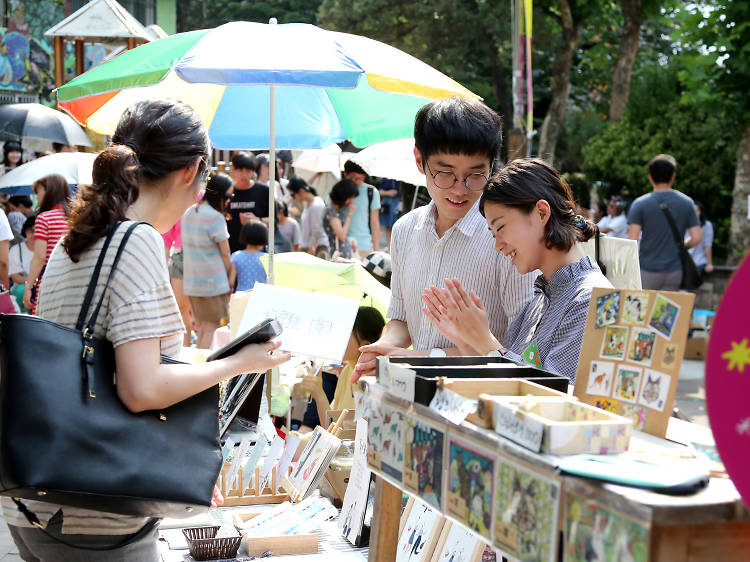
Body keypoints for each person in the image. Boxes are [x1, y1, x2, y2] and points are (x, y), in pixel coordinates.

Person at [2, 99, 290, 561]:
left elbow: (99, 364)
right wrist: (240, 362)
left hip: (39, 499)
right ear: (192, 171)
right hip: (97, 510)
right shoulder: (135, 240)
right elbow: (142, 388)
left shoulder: (77, 239)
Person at [353, 97, 536, 381]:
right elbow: (401, 319)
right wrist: (385, 347)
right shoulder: (404, 231)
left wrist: (415, 358)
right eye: (445, 173)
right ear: (419, 161)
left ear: (492, 167)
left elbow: (520, 349)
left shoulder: (506, 241)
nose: (459, 189)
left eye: (476, 175)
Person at [422, 158, 612, 383]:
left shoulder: (591, 300)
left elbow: (553, 398)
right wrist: (467, 341)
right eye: (493, 234)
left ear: (541, 213)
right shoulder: (540, 301)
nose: (498, 245)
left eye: (500, 228)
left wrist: (485, 341)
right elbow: (503, 385)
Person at [299, 306, 385, 430]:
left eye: (347, 333)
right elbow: (331, 428)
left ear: (365, 345)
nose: (339, 339)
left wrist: (319, 394)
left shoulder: (376, 380)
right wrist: (318, 394)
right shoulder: (347, 370)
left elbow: (353, 437)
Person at [627, 154, 701, 291]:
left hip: (647, 270)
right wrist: (681, 245)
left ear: (650, 177)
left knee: (644, 311)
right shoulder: (687, 202)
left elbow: (632, 240)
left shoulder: (640, 204)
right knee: (666, 312)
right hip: (675, 271)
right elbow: (696, 238)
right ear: (673, 177)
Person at [182, 172, 233, 349]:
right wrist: (229, 275)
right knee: (210, 328)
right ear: (219, 195)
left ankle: (197, 368)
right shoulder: (215, 217)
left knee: (203, 328)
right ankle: (200, 371)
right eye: (228, 196)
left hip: (192, 282)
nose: (229, 201)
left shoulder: (189, 212)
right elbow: (225, 253)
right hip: (212, 282)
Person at [23, 174, 71, 313]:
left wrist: (29, 286)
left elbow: (40, 257)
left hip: (50, 281)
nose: (36, 196)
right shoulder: (77, 216)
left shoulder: (44, 218)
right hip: (74, 281)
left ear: (50, 191)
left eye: (38, 192)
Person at [227, 151, 269, 253]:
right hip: (230, 250)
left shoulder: (264, 191)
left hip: (257, 251)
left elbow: (274, 221)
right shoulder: (227, 192)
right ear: (233, 169)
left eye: (248, 171)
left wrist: (257, 220)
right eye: (240, 170)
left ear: (253, 171)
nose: (244, 175)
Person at [342, 160, 380, 258]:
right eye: (354, 178)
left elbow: (375, 223)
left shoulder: (371, 192)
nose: (358, 181)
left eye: (361, 178)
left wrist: (376, 251)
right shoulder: (337, 191)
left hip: (364, 247)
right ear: (345, 174)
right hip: (341, 247)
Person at [162, 221, 191, 346]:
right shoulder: (176, 205)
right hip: (179, 257)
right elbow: (167, 240)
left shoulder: (205, 204)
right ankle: (186, 347)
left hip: (202, 256)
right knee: (181, 308)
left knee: (201, 316)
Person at [288, 177, 329, 258]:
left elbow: (317, 229)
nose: (293, 198)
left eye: (293, 195)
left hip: (316, 248)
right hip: (309, 247)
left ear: (301, 191)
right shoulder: (309, 203)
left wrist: (312, 247)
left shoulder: (316, 204)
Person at [323, 179, 358, 260]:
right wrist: (349, 215)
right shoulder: (330, 210)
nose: (351, 201)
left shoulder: (334, 210)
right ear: (343, 196)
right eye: (350, 198)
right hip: (338, 257)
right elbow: (341, 236)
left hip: (341, 256)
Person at [230, 221, 268, 291]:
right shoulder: (267, 258)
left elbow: (231, 282)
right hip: (261, 294)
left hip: (241, 295)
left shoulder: (236, 256)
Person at [8, 214, 34, 311]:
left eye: (38, 231)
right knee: (21, 290)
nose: (34, 234)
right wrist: (32, 284)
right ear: (25, 231)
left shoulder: (48, 248)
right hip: (22, 290)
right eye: (31, 230)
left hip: (42, 287)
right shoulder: (16, 249)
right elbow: (15, 277)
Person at [688, 201, 714, 274]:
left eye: (697, 211)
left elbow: (707, 245)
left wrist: (709, 263)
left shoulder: (707, 225)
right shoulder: (683, 224)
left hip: (699, 261)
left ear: (701, 212)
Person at [378, 178, 401, 250]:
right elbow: (380, 192)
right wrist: (389, 193)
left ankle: (393, 246)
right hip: (386, 204)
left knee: (394, 226)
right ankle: (389, 246)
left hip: (394, 205)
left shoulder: (397, 180)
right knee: (387, 226)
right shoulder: (385, 179)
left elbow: (396, 192)